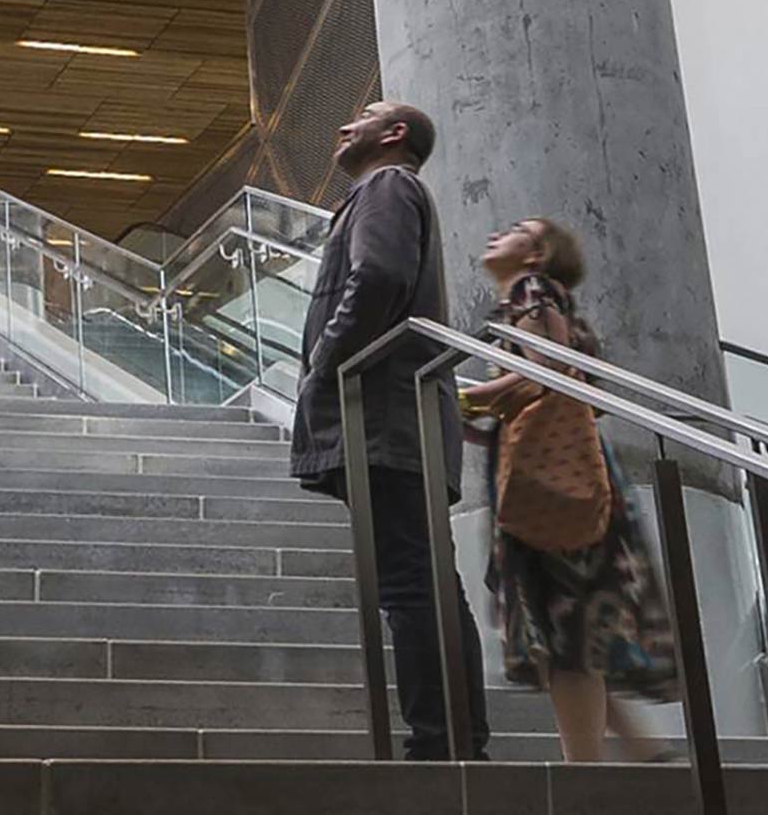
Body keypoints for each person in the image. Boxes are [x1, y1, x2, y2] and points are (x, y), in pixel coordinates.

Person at [291, 99, 489, 760]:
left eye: (363, 117)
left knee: (412, 582)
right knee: (425, 579)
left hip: (381, 416)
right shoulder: (387, 192)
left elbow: (377, 276)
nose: (344, 126)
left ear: (394, 133)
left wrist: (326, 363)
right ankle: (456, 741)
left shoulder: (386, 184)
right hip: (395, 418)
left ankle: (440, 747)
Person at [464, 218, 680, 762]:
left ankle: (586, 776)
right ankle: (647, 756)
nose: (498, 234)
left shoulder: (532, 291)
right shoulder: (529, 299)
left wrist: (474, 396)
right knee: (571, 620)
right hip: (558, 473)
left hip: (553, 478)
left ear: (536, 254)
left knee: (566, 625)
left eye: (516, 230)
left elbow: (553, 368)